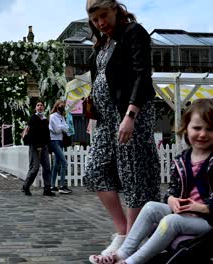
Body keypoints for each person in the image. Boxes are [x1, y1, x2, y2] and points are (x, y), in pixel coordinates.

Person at [89, 98, 213, 264]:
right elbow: (172, 190)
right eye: (197, 128)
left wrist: (204, 208)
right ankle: (121, 254)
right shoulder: (181, 160)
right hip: (185, 214)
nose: (203, 134)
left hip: (207, 221)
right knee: (150, 207)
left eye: (210, 129)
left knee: (171, 221)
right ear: (186, 128)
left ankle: (132, 262)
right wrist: (171, 199)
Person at [83, 0, 161, 255]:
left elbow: (142, 74)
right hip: (106, 119)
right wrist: (93, 116)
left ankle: (130, 240)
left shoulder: (133, 32)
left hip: (130, 113)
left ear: (115, 9)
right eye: (95, 20)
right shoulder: (102, 44)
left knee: (133, 173)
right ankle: (125, 232)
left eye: (103, 16)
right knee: (95, 170)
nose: (100, 23)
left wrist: (131, 114)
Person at [22, 100, 55, 196]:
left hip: (44, 146)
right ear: (35, 108)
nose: (40, 107)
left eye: (41, 105)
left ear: (44, 108)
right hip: (34, 146)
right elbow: (32, 134)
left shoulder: (45, 119)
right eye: (38, 105)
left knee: (47, 168)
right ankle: (26, 186)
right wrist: (37, 146)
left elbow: (47, 135)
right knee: (35, 167)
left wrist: (49, 148)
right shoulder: (33, 118)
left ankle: (47, 189)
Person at [49, 99, 72, 194]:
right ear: (57, 106)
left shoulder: (62, 117)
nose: (62, 107)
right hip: (54, 141)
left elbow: (67, 129)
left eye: (63, 106)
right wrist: (62, 127)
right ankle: (62, 186)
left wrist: (62, 126)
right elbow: (57, 130)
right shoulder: (52, 116)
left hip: (61, 141)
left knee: (56, 165)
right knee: (64, 162)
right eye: (60, 105)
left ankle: (52, 186)